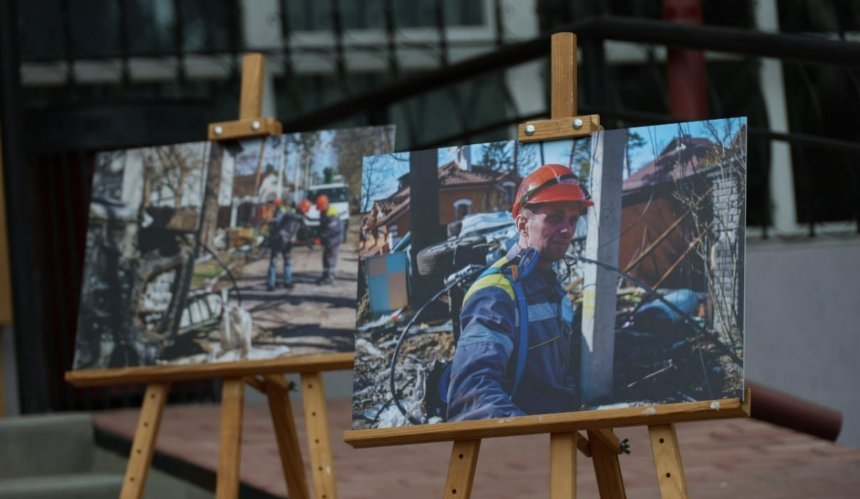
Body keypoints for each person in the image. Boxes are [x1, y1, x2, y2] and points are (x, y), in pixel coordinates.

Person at [446, 164, 593, 421]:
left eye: (573, 219)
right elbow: (471, 393)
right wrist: (530, 438)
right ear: (523, 225)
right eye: (555, 218)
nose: (567, 230)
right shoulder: (496, 293)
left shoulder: (552, 286)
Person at [267, 198, 304, 291]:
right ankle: (285, 282)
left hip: (280, 240)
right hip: (286, 241)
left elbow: (279, 220)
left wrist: (271, 221)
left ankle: (273, 283)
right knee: (285, 262)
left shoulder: (288, 214)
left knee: (275, 262)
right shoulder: (297, 218)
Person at [315, 194, 344, 285]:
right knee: (325, 258)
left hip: (334, 240)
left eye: (320, 207)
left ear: (325, 205)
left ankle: (330, 277)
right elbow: (322, 226)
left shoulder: (332, 214)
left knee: (330, 259)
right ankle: (325, 275)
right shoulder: (323, 212)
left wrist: (321, 237)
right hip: (328, 240)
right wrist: (317, 235)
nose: (320, 209)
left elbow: (330, 230)